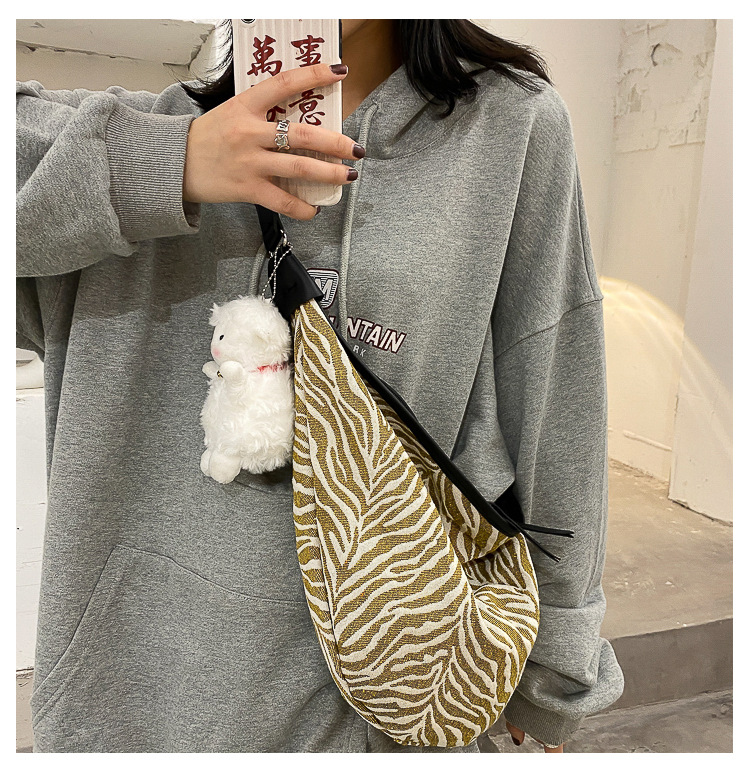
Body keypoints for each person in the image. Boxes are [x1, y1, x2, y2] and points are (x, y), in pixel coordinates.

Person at [16, 19, 624, 752]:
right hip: (129, 703)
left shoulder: (509, 128)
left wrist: (557, 659)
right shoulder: (137, 131)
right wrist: (165, 163)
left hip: (390, 685)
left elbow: (555, 387)